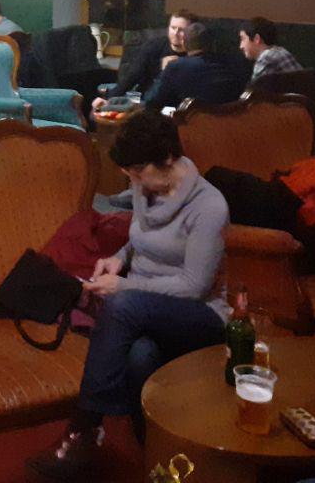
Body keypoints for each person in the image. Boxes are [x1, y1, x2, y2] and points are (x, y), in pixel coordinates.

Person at [27, 111, 229, 479]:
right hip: (142, 309)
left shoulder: (209, 207)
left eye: (138, 171)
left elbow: (194, 285)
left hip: (200, 314)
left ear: (167, 158)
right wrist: (118, 259)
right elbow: (141, 240)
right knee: (140, 355)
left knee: (122, 305)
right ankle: (156, 453)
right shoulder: (145, 187)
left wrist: (125, 286)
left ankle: (85, 425)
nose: (133, 181)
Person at [92, 10, 195, 112]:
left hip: (177, 104)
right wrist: (108, 99)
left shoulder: (195, 54)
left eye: (181, 30)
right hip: (146, 100)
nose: (175, 33)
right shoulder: (154, 46)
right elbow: (132, 77)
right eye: (173, 28)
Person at [143, 22, 250, 110]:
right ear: (210, 43)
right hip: (228, 125)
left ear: (184, 43)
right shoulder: (232, 64)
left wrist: (163, 71)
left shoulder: (176, 67)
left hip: (190, 127)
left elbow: (150, 102)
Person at [238, 17, 304, 80]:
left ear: (257, 39)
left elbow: (256, 87)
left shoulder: (267, 57)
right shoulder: (281, 51)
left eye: (243, 39)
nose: (241, 46)